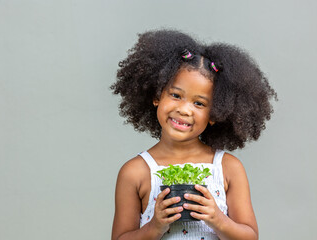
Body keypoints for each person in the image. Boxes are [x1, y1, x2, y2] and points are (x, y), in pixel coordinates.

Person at [110, 29, 277, 240]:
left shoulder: (228, 168)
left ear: (215, 113)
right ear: (156, 96)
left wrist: (217, 219)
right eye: (176, 95)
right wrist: (155, 227)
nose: (185, 110)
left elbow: (250, 237)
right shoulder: (135, 172)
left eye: (199, 103)